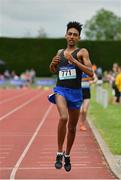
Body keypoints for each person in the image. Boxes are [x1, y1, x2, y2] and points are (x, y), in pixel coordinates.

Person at [48, 21, 93, 172]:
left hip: (75, 93)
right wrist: (52, 64)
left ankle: (67, 154)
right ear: (65, 35)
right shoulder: (60, 52)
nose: (72, 36)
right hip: (61, 90)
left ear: (79, 38)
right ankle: (59, 152)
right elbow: (55, 70)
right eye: (70, 34)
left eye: (75, 35)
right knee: (63, 118)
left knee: (72, 128)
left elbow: (91, 73)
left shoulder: (82, 52)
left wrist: (74, 61)